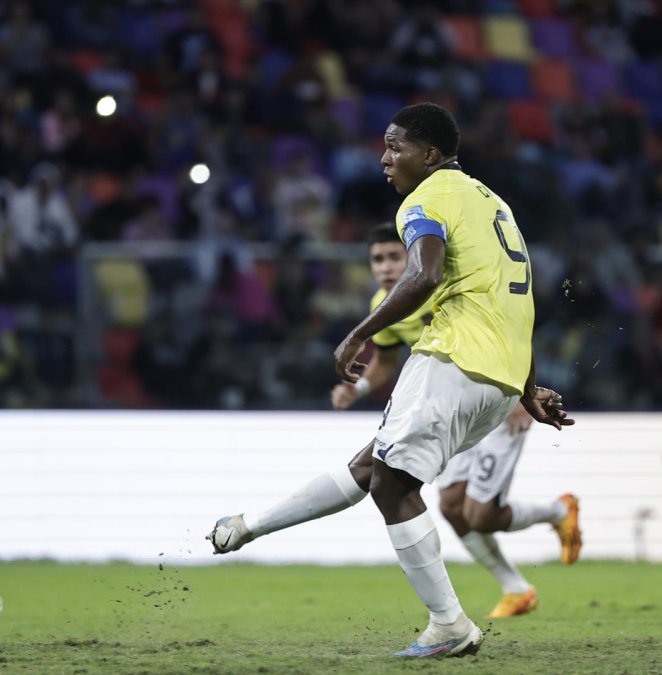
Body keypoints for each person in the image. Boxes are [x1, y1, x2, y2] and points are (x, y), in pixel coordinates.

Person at [207, 103, 572, 657]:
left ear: (429, 156)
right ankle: (248, 526)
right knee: (373, 467)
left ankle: (449, 625)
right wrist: (524, 388)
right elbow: (515, 305)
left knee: (392, 484)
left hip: (452, 360)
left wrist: (359, 332)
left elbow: (423, 273)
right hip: (496, 382)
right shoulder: (492, 203)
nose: (385, 158)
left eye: (395, 147)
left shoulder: (426, 199)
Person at [329, 223, 581, 619]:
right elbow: (389, 361)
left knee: (481, 515)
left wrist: (522, 390)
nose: (386, 266)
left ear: (415, 252)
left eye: (395, 255)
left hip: (496, 400)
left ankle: (558, 512)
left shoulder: (443, 281)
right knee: (450, 505)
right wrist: (358, 388)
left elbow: (508, 322)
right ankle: (516, 588)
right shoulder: (387, 301)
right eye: (378, 259)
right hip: (453, 411)